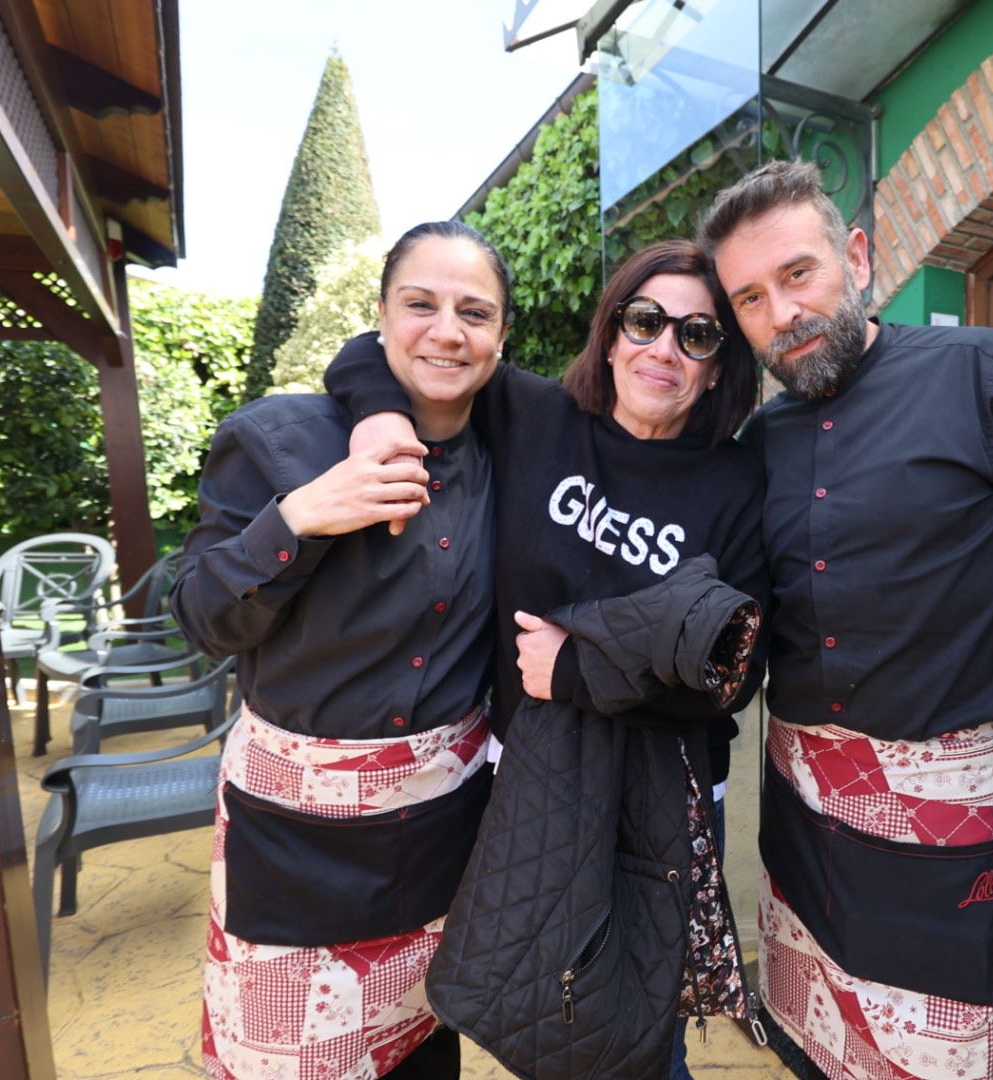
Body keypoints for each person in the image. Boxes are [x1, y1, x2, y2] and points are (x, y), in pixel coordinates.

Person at [693, 160, 993, 1079]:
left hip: (937, 815)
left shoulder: (984, 376)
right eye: (750, 299)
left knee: (936, 1057)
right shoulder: (757, 443)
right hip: (795, 813)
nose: (780, 315)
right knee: (813, 1042)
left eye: (798, 275)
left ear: (856, 257)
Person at [324, 238, 769, 1077]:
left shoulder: (737, 481)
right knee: (545, 1001)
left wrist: (577, 669)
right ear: (610, 334)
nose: (663, 347)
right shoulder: (533, 416)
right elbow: (385, 354)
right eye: (645, 320)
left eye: (697, 335)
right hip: (534, 774)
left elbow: (733, 674)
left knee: (639, 1025)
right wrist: (381, 418)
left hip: (665, 790)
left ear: (718, 367)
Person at [169, 221, 508, 1079]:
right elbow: (203, 617)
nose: (446, 330)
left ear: (501, 337)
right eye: (419, 303)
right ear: (382, 316)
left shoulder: (516, 450)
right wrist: (298, 519)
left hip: (441, 837)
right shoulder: (277, 440)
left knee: (430, 1056)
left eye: (475, 312)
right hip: (294, 847)